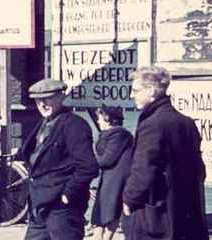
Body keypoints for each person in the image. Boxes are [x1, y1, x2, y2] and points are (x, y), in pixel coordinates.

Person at [122, 66, 207, 240]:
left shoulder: (152, 124)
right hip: (186, 211)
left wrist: (129, 199)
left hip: (157, 215)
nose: (132, 95)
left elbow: (143, 170)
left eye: (136, 90)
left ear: (151, 91)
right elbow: (199, 169)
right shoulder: (187, 122)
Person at [20, 78, 98, 240]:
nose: (42, 104)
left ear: (61, 97)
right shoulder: (44, 123)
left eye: (47, 98)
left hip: (62, 208)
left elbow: (87, 167)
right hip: (39, 205)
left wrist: (67, 195)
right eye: (37, 100)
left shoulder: (74, 125)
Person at [91, 107, 133, 240]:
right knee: (102, 212)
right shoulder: (112, 134)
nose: (97, 121)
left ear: (107, 119)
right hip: (109, 178)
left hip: (116, 180)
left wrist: (88, 162)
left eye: (99, 118)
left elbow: (107, 160)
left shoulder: (118, 135)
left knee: (110, 212)